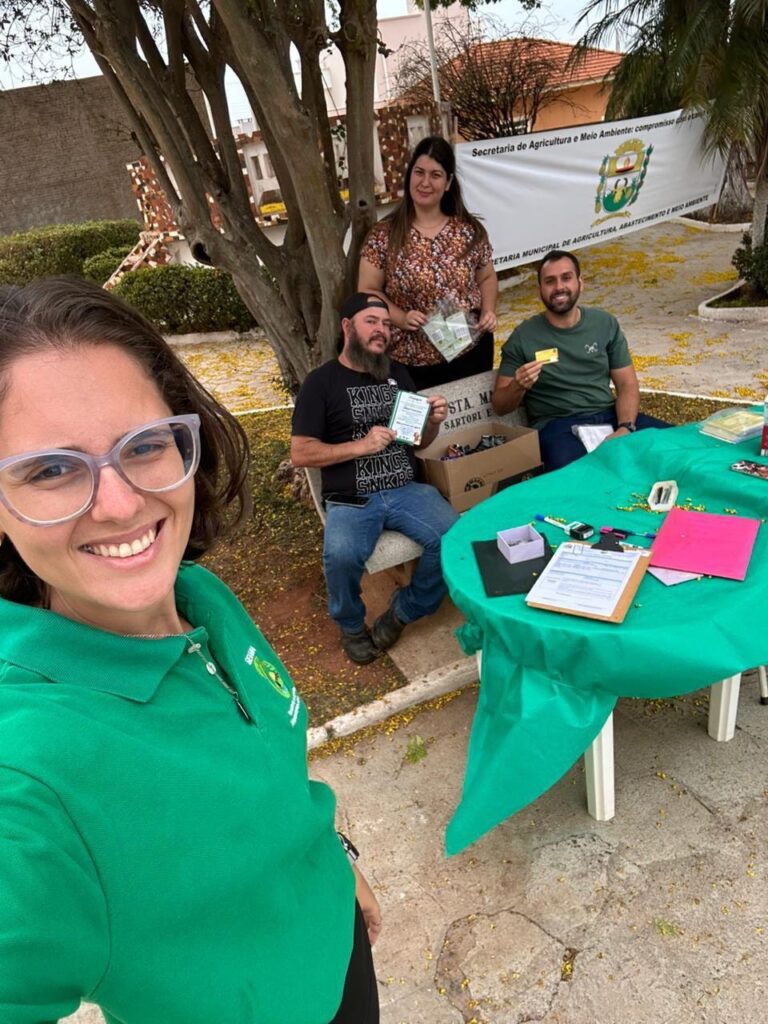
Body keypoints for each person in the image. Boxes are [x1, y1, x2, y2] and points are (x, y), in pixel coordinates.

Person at [0, 279, 381, 1024]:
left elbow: (267, 770)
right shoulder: (30, 785)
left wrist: (331, 860)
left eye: (143, 445)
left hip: (342, 953)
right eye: (50, 469)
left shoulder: (204, 599)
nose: (119, 504)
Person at [291, 292, 459, 665]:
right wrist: (360, 446)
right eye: (371, 321)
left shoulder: (398, 375)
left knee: (453, 537)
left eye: (385, 323)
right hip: (352, 497)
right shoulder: (320, 383)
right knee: (341, 556)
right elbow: (301, 453)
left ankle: (405, 610)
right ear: (347, 326)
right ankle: (352, 626)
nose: (381, 330)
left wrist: (433, 423)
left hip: (405, 488)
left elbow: (419, 442)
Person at [492, 249, 668, 470]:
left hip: (610, 415)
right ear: (540, 290)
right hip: (558, 426)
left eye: (566, 278)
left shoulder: (604, 323)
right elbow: (499, 405)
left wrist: (625, 428)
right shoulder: (523, 337)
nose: (559, 287)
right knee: (580, 474)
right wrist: (518, 385)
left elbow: (627, 384)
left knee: (678, 445)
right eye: (550, 281)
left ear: (580, 283)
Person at [358, 135, 498, 390]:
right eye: (419, 172)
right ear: (409, 175)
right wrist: (400, 317)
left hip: (470, 354)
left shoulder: (469, 231)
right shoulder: (384, 235)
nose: (425, 182)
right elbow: (368, 289)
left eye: (435, 175)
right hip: (408, 363)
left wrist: (488, 310)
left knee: (471, 418)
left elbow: (487, 276)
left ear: (448, 183)